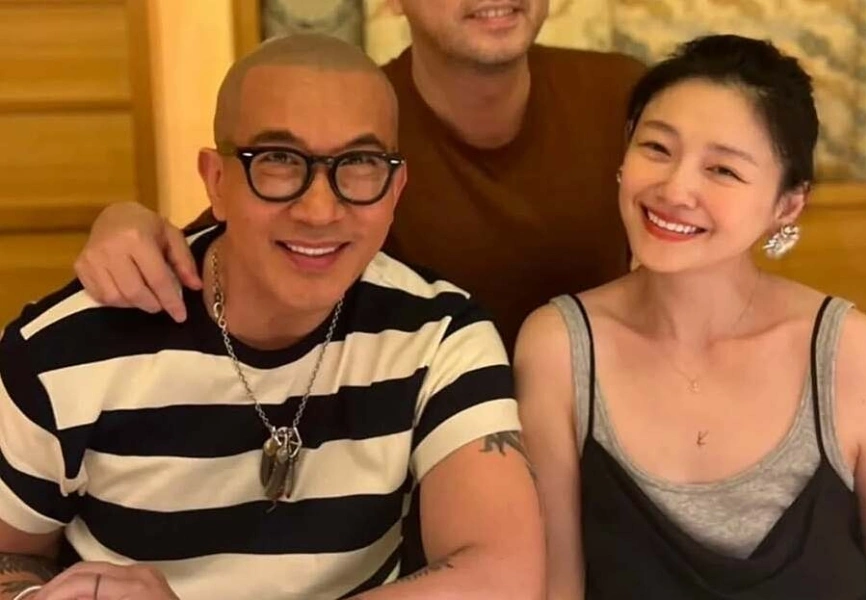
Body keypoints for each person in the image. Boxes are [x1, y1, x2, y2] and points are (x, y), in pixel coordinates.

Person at [0, 34, 543, 600]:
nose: (319, 210)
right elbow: (10, 550)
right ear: (217, 181)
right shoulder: (64, 349)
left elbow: (500, 574)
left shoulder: (441, 335)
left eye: (359, 164)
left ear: (396, 188)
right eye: (280, 161)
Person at [514, 35, 866, 599]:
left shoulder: (852, 355)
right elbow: (556, 589)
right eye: (657, 148)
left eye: (722, 170)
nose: (676, 189)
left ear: (787, 204)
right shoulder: (558, 346)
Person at [73, 0, 647, 350]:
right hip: (406, 439)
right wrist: (127, 224)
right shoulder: (354, 128)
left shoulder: (625, 97)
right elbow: (230, 236)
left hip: (596, 433)